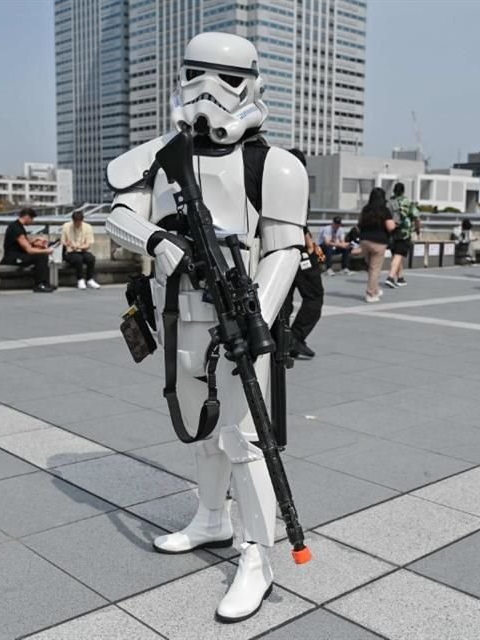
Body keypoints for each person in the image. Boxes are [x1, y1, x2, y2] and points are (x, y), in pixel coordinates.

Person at [105, 32, 308, 622]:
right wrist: (157, 241)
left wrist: (255, 321)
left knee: (246, 440)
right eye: (197, 74)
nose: (210, 92)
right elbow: (120, 215)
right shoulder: (160, 156)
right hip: (176, 315)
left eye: (227, 79)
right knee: (202, 425)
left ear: (253, 86)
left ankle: (258, 555)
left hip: (240, 319)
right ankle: (212, 519)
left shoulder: (275, 165)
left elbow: (284, 250)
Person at [282, 148, 323, 360]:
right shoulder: (299, 187)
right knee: (314, 296)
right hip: (298, 251)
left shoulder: (274, 186)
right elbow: (300, 223)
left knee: (284, 299)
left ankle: (282, 340)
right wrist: (309, 247)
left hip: (276, 250)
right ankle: (294, 338)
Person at [1, 208, 54, 293]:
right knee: (41, 256)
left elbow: (25, 242)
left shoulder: (18, 226)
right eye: (31, 219)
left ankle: (45, 283)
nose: (32, 221)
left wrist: (36, 242)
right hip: (12, 258)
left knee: (41, 255)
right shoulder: (16, 228)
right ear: (26, 217)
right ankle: (39, 284)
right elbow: (29, 250)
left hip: (19, 255)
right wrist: (46, 250)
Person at [358, 187, 394, 302]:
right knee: (375, 269)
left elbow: (359, 224)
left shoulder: (366, 209)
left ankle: (376, 289)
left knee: (370, 268)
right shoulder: (384, 210)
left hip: (364, 241)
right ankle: (371, 293)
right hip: (379, 242)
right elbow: (390, 227)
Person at [385, 182, 418, 288]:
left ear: (394, 190)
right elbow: (416, 216)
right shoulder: (407, 202)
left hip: (391, 231)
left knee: (396, 254)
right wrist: (417, 229)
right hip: (404, 232)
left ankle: (400, 278)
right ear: (403, 191)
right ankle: (390, 277)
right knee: (399, 254)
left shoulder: (389, 202)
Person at [61, 210, 101, 289]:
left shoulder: (88, 227)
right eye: (75, 222)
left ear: (82, 220)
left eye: (79, 222)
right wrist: (67, 244)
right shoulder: (66, 226)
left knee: (91, 258)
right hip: (70, 252)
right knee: (78, 259)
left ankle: (90, 279)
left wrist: (79, 247)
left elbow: (88, 244)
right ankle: (80, 279)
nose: (77, 224)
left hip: (82, 250)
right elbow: (63, 241)